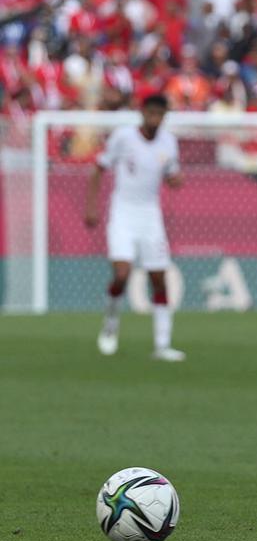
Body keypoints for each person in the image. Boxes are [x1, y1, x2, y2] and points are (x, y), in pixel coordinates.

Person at [84, 94, 186, 362]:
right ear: (143, 113)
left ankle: (162, 344)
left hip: (150, 215)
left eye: (160, 114)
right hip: (123, 213)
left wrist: (176, 180)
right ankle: (111, 322)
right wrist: (92, 207)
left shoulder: (169, 143)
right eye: (151, 113)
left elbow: (172, 174)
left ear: (164, 116)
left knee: (158, 278)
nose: (155, 118)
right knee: (122, 273)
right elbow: (98, 168)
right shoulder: (123, 137)